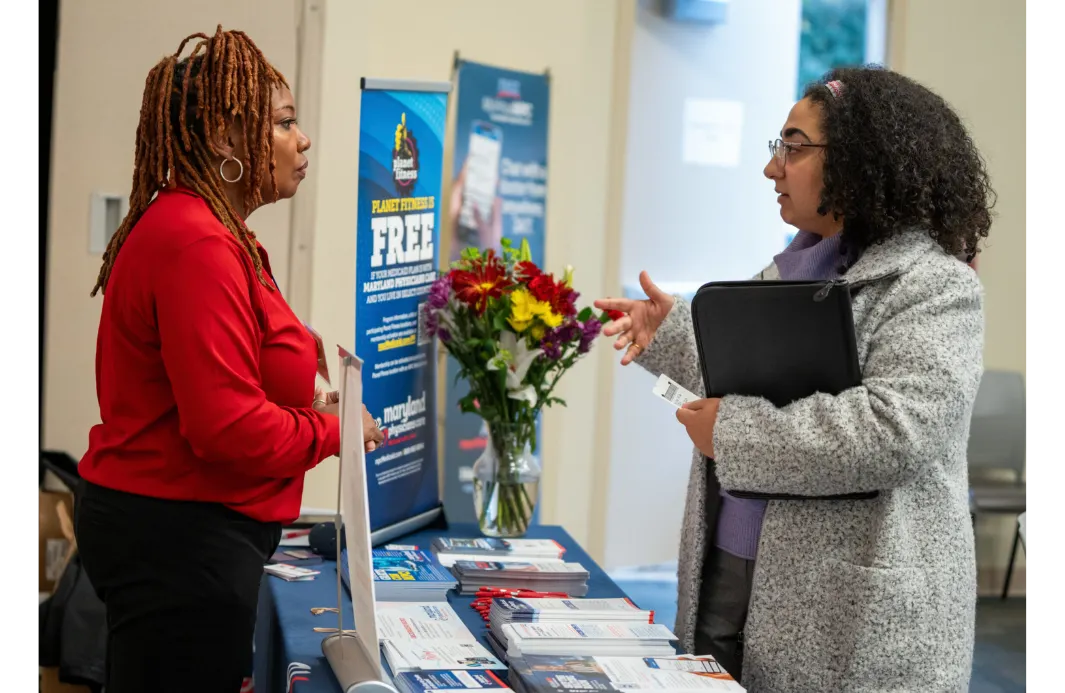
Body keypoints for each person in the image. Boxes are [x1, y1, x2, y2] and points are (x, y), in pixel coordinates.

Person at [595, 66, 993, 692]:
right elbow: (758, 382)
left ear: (862, 161)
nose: (773, 168)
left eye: (794, 146)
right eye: (776, 147)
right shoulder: (792, 268)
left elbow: (893, 433)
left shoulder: (935, 287)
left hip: (852, 608)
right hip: (732, 571)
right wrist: (671, 334)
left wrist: (733, 435)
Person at [74, 27, 384, 693]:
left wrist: (311, 406)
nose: (302, 139)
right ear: (222, 137)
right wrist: (335, 433)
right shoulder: (195, 242)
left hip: (185, 533)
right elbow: (225, 427)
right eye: (283, 122)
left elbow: (233, 382)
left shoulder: (218, 232)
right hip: (177, 543)